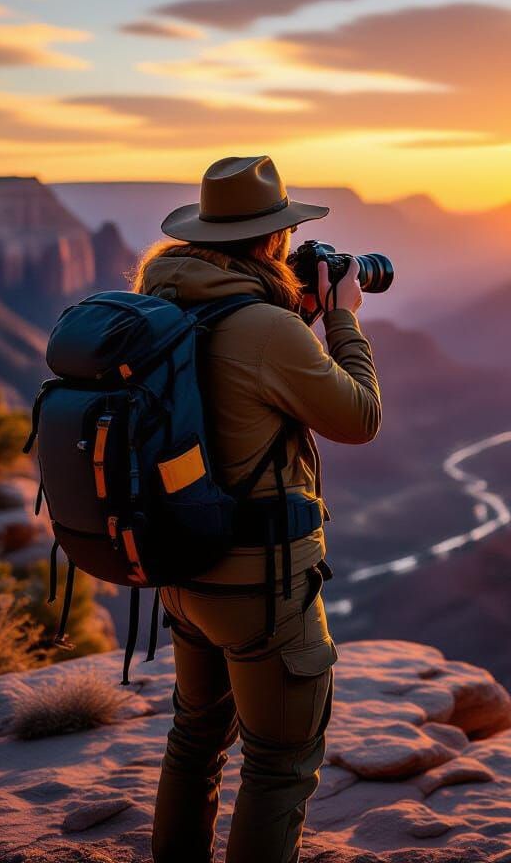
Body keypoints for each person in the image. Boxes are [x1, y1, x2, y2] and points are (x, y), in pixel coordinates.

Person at [133, 155, 381, 863]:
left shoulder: (165, 306)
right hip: (262, 586)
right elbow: (360, 418)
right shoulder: (265, 330)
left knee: (195, 739)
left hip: (184, 569)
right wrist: (341, 320)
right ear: (272, 240)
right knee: (278, 764)